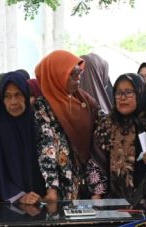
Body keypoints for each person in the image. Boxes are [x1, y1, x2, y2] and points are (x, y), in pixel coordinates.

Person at [34, 50, 107, 203]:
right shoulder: (44, 106)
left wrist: (96, 187)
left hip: (89, 182)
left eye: (79, 73)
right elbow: (47, 146)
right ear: (57, 75)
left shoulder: (86, 100)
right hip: (60, 185)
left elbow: (101, 134)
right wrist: (52, 188)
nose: (78, 78)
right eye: (72, 74)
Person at [0, 70, 45, 206]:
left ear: (26, 94)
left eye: (18, 94)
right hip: (7, 200)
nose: (13, 101)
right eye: (7, 96)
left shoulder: (37, 120)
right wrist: (19, 196)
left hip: (40, 198)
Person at [93, 73, 146, 204]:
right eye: (118, 93)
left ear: (140, 93)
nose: (122, 98)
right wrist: (97, 195)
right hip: (113, 203)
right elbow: (96, 162)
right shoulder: (107, 124)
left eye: (128, 92)